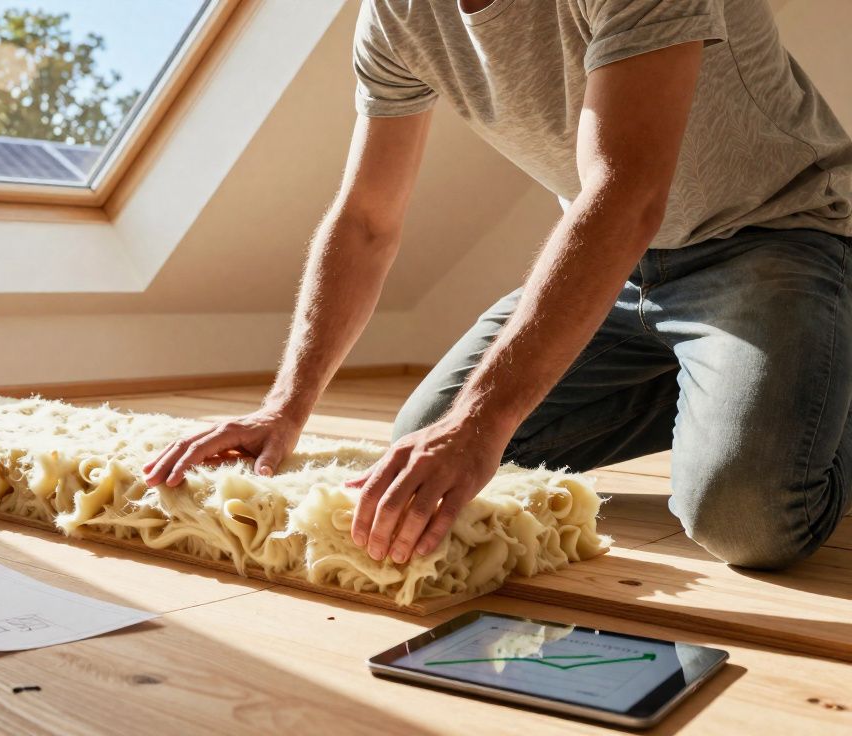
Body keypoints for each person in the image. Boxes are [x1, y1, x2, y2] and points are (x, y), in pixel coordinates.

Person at [144, 0, 852, 570]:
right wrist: (285, 406)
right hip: (622, 273)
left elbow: (626, 193)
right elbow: (364, 221)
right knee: (426, 443)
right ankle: (745, 381)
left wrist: (480, 420)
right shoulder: (397, 13)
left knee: (746, 520)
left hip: (781, 236)